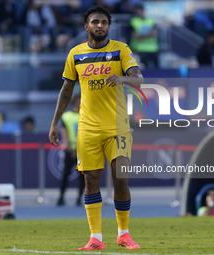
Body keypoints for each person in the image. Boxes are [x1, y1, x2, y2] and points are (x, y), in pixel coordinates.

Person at [48, 5, 144, 250]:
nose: (100, 25)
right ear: (86, 26)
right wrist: (54, 122)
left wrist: (123, 78)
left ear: (108, 26)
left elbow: (138, 78)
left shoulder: (121, 50)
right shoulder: (76, 54)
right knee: (91, 180)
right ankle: (96, 238)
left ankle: (124, 233)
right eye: (95, 22)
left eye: (104, 22)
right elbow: (67, 90)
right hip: (88, 128)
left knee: (120, 178)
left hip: (118, 127)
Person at [57, 94, 85, 206]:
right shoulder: (67, 116)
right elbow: (64, 132)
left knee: (82, 176)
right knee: (65, 174)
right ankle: (61, 197)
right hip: (70, 150)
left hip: (83, 150)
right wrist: (69, 148)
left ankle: (79, 197)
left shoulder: (87, 115)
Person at [130, 4, 159, 69]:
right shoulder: (133, 21)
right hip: (140, 49)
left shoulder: (151, 20)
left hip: (153, 48)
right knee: (144, 69)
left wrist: (142, 35)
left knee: (157, 69)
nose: (138, 12)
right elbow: (135, 35)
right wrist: (149, 34)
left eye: (140, 10)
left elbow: (155, 33)